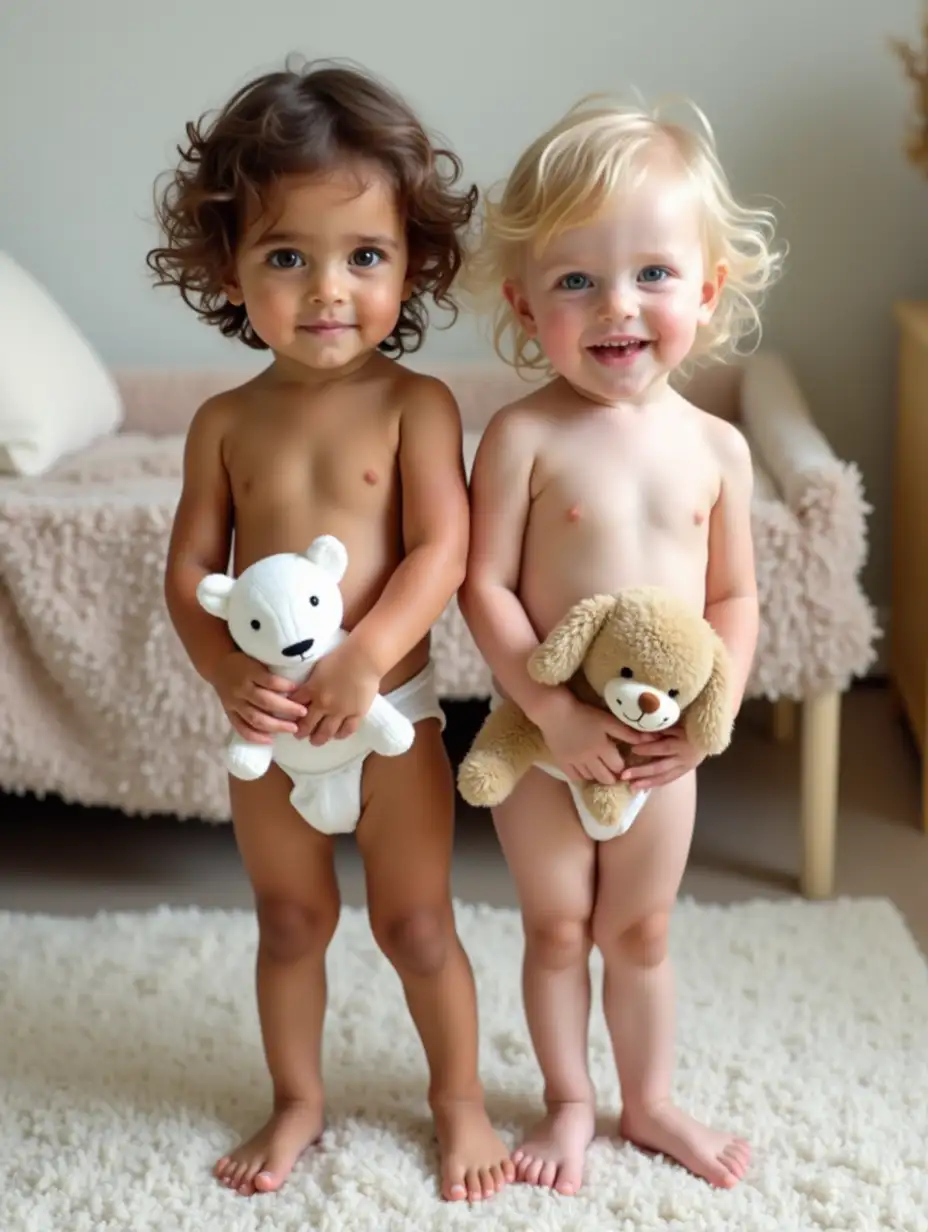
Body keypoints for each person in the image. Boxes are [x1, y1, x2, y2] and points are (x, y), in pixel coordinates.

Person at [148, 59, 513, 1204]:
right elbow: (188, 571)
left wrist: (367, 652)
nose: (327, 290)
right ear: (229, 269)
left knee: (413, 921)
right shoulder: (222, 422)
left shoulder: (416, 405)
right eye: (285, 256)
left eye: (363, 255)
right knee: (291, 915)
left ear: (411, 263)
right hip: (274, 731)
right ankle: (296, 1094)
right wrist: (222, 673)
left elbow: (440, 551)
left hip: (391, 720)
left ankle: (456, 1098)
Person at [459, 95, 781, 1195]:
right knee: (556, 927)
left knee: (638, 929)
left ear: (707, 286)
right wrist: (548, 710)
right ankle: (568, 1098)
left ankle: (647, 1100)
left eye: (651, 272)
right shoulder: (522, 436)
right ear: (523, 302)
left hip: (660, 750)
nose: (617, 306)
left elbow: (734, 595)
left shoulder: (719, 449)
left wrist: (711, 714)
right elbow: (484, 584)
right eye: (576, 280)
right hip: (543, 738)